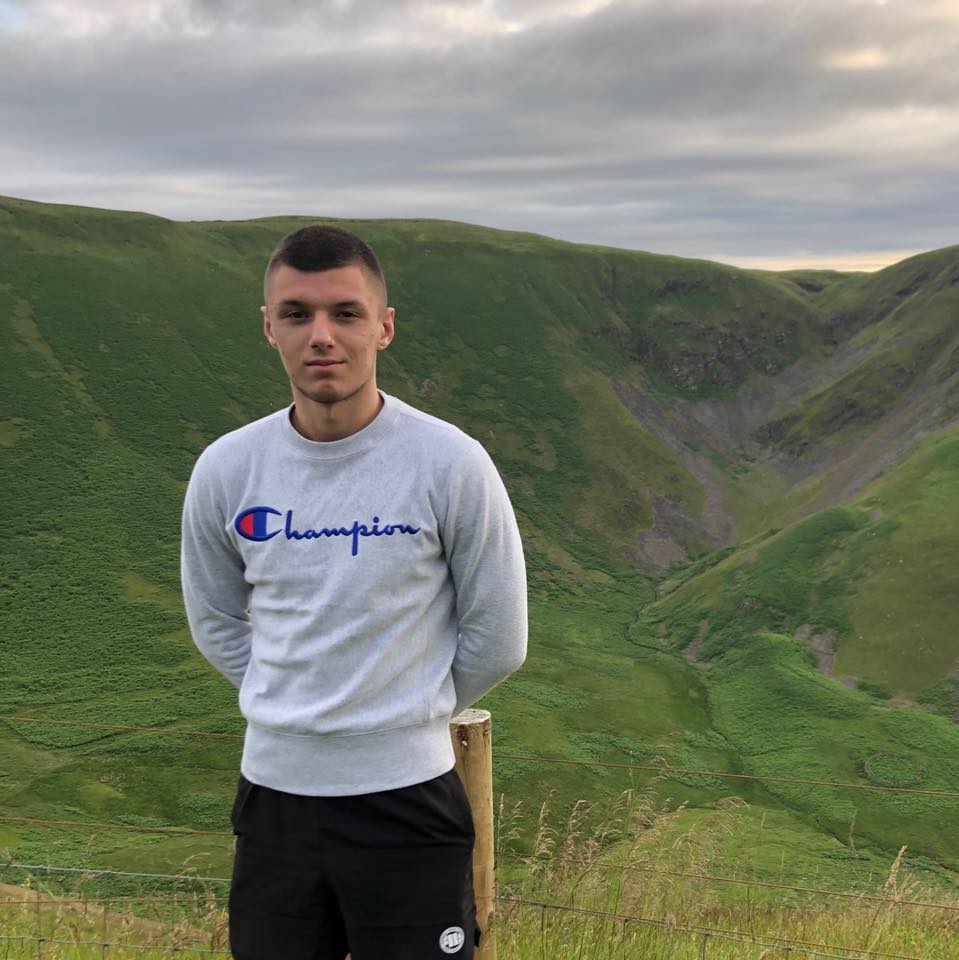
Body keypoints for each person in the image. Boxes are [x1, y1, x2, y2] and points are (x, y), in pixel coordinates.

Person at [179, 223, 528, 960]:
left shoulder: (450, 463)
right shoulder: (226, 470)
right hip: (274, 805)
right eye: (297, 314)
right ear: (269, 327)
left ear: (383, 327)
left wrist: (401, 717)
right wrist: (293, 704)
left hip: (410, 803)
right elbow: (215, 620)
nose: (322, 336)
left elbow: (498, 635)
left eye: (345, 312)